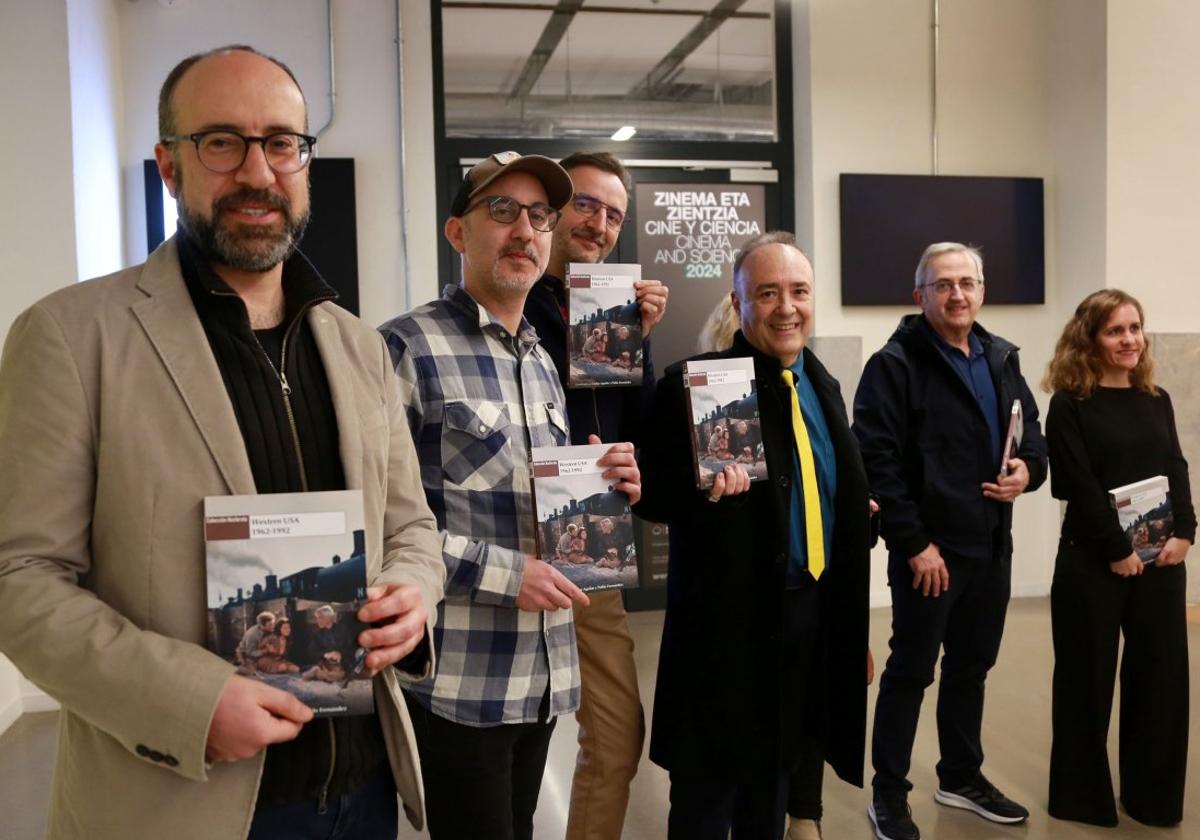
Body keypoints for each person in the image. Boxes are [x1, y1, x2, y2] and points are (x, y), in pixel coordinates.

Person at [0, 45, 444, 840]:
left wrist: (414, 595)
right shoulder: (70, 337)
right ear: (169, 166)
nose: (258, 172)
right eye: (221, 142)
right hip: (178, 798)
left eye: (281, 143)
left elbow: (410, 527)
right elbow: (20, 578)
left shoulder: (356, 346)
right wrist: (188, 701)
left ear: (305, 162)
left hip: (362, 788)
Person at [379, 150, 642, 840]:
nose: (524, 230)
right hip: (463, 685)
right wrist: (507, 575)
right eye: (502, 211)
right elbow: (380, 530)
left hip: (542, 676)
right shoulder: (406, 349)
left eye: (539, 216)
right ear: (458, 232)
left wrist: (600, 484)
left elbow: (528, 497)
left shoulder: (542, 360)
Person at [636, 231, 872, 839]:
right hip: (725, 634)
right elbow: (652, 496)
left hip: (806, 620)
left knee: (772, 791)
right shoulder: (695, 385)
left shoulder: (823, 386)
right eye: (767, 293)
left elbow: (814, 491)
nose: (786, 307)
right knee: (706, 801)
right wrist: (703, 488)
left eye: (798, 291)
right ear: (739, 305)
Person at [854, 242, 1047, 840]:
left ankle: (960, 776)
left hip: (991, 545)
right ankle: (888, 794)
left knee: (972, 667)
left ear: (982, 291)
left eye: (967, 282)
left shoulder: (1001, 356)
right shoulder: (895, 364)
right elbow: (876, 461)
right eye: (943, 284)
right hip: (930, 555)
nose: (957, 293)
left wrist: (1028, 472)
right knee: (911, 671)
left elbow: (1031, 434)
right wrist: (913, 544)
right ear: (921, 295)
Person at [522, 150, 668, 840]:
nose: (598, 222)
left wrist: (638, 339)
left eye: (613, 213)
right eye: (585, 203)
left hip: (588, 552)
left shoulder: (610, 312)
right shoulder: (507, 295)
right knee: (509, 756)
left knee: (616, 736)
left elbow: (633, 428)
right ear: (552, 209)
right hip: (504, 552)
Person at [1042, 289, 1194, 828]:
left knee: (1162, 682)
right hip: (1092, 562)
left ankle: (1152, 799)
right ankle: (1081, 799)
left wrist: (1186, 532)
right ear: (1090, 339)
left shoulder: (1155, 397)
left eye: (1135, 328)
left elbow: (1176, 466)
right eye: (1115, 330)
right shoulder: (1068, 405)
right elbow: (1077, 486)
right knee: (1086, 681)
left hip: (1161, 562)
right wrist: (1116, 549)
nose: (1129, 339)